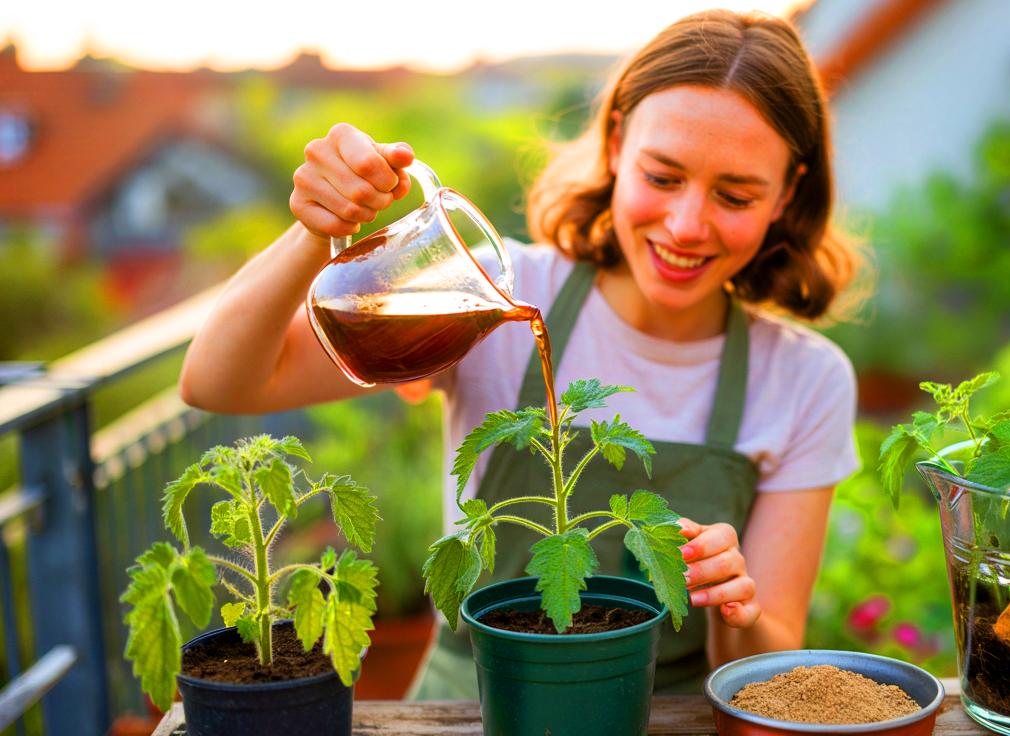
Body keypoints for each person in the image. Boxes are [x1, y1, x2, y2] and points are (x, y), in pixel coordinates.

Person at [179, 9, 860, 697]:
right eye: (662, 177)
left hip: (663, 716)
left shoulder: (804, 379)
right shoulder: (495, 292)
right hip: (471, 706)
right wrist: (315, 230)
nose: (686, 225)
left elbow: (770, 655)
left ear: (787, 192)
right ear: (616, 143)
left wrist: (738, 605)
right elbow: (219, 383)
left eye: (735, 195)